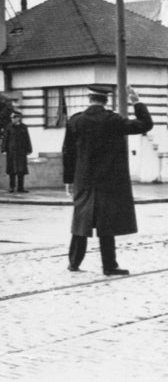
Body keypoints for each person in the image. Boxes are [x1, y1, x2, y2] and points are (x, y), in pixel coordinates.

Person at [62, 84, 153, 276]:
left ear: (89, 99)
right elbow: (145, 124)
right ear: (106, 100)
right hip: (109, 180)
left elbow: (68, 152)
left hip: (83, 178)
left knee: (81, 220)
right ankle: (109, 265)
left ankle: (74, 262)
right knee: (106, 222)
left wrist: (69, 179)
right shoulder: (114, 120)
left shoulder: (76, 121)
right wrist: (136, 102)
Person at [1, 110, 32, 193]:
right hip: (11, 151)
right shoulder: (9, 127)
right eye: (12, 117)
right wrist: (4, 149)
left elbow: (27, 139)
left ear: (19, 118)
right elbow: (5, 139)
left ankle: (20, 187)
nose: (12, 119)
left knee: (21, 170)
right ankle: (12, 187)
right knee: (12, 170)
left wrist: (29, 149)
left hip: (21, 151)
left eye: (14, 117)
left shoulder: (24, 127)